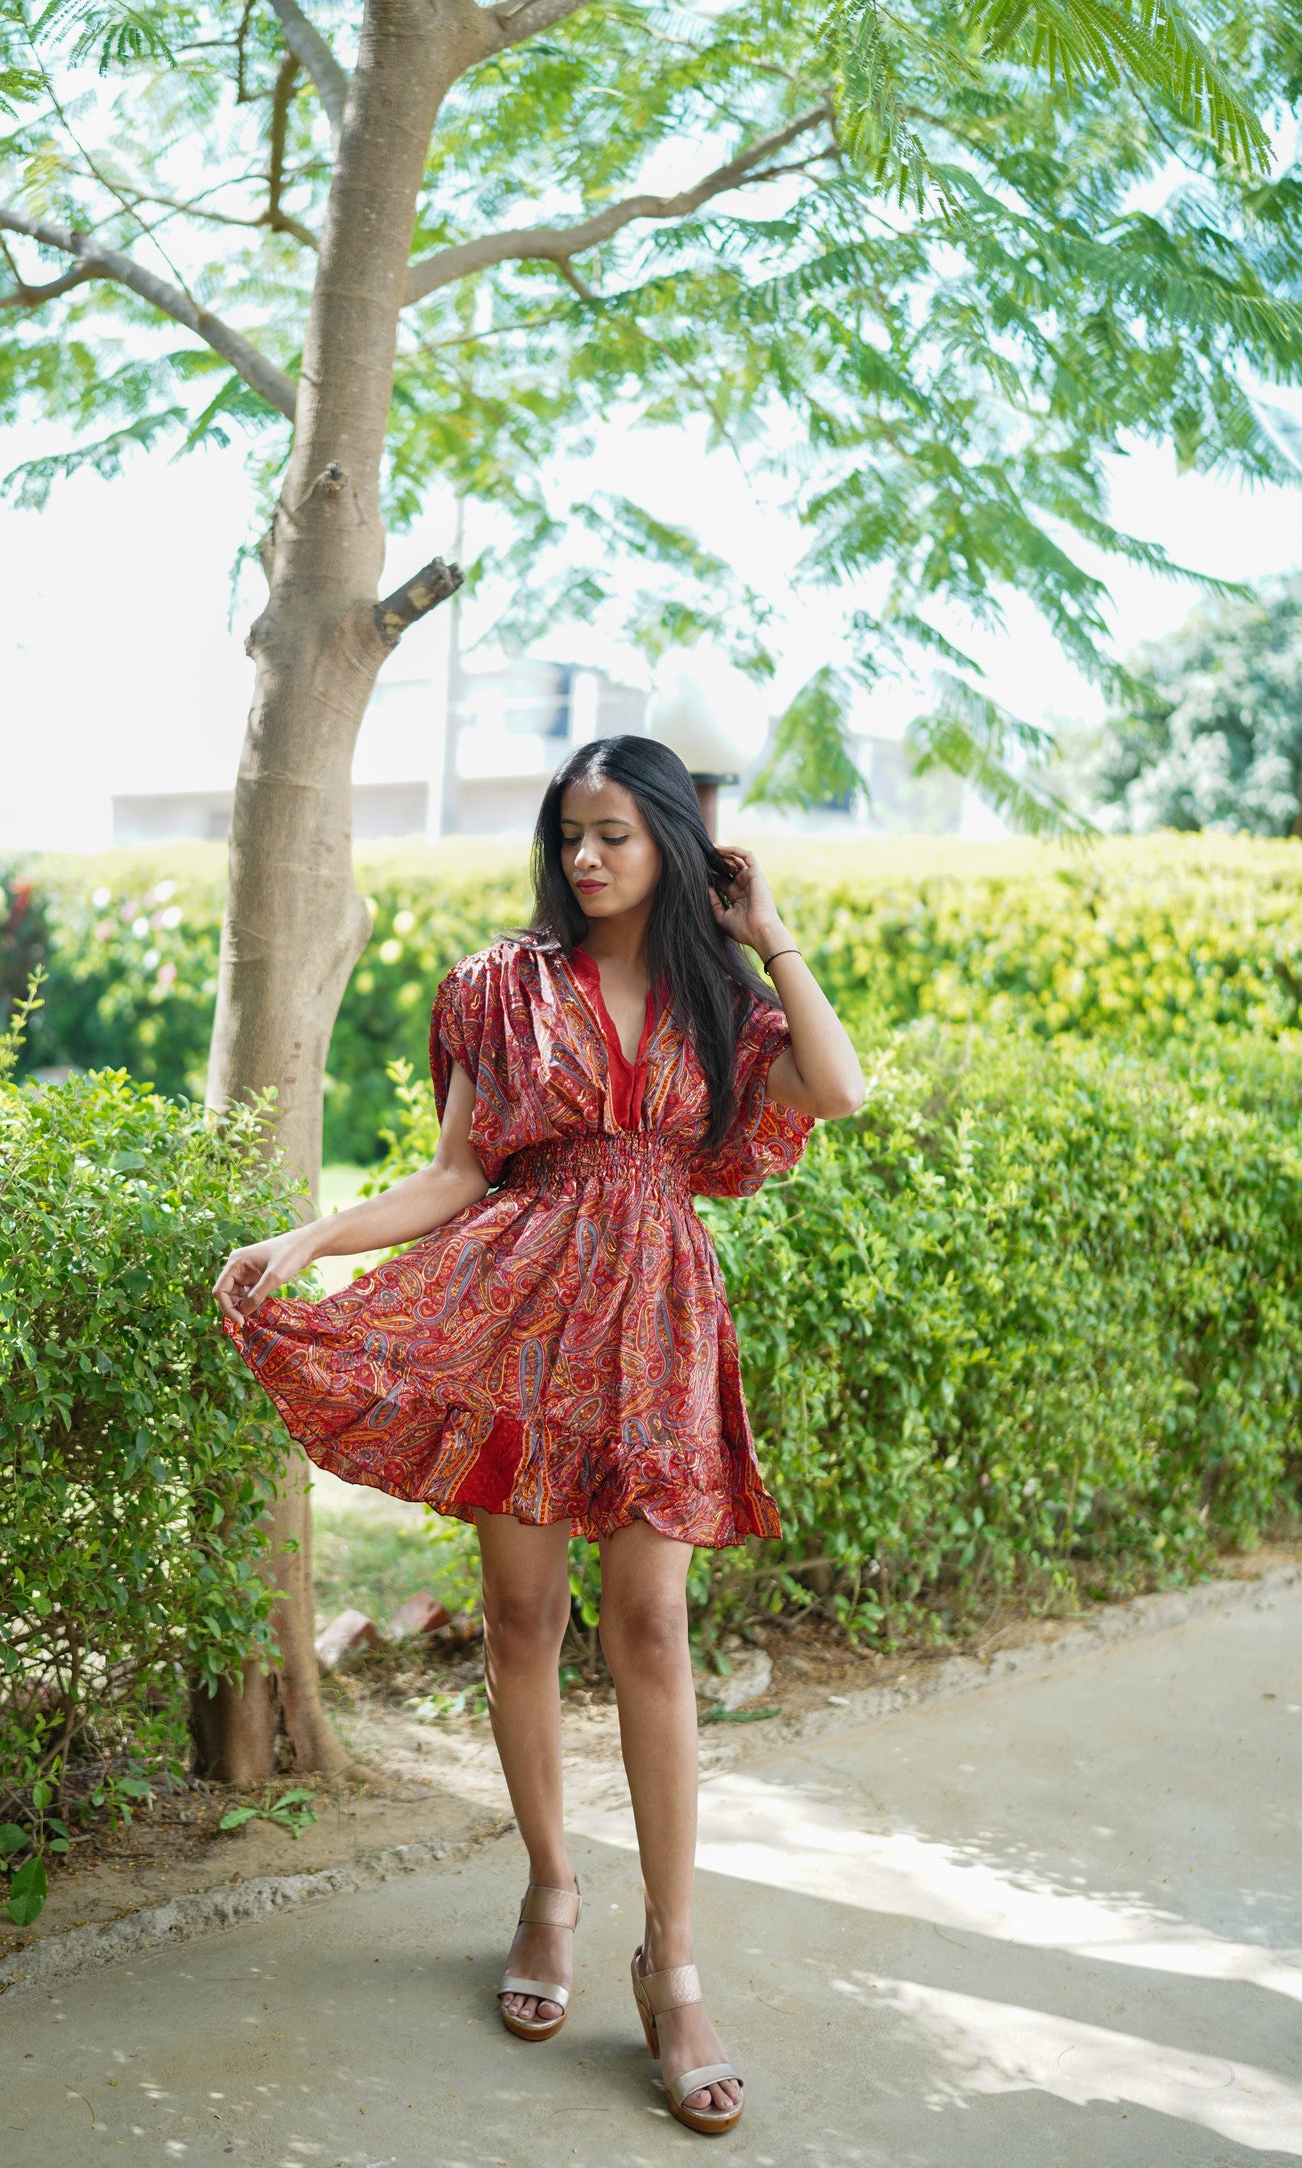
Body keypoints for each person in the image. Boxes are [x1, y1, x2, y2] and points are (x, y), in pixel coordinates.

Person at [213, 733, 865, 2136]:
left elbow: (837, 1090)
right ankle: (550, 1888)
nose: (583, 857)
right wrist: (311, 1233)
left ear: (675, 849)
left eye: (616, 834)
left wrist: (770, 938)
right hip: (517, 1312)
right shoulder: (499, 988)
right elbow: (455, 1172)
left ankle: (672, 1965)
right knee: (520, 1617)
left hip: (654, 1327)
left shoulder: (720, 1001)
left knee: (648, 1630)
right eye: (569, 832)